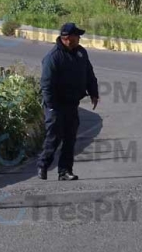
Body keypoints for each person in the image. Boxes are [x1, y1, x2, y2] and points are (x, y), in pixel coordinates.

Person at [37, 22, 99, 181]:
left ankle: (65, 171)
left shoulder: (81, 53)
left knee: (70, 138)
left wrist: (94, 92)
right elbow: (46, 84)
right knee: (54, 137)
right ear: (67, 38)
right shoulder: (53, 57)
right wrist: (51, 106)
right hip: (56, 106)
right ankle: (43, 165)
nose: (79, 38)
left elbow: (89, 73)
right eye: (77, 36)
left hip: (72, 104)